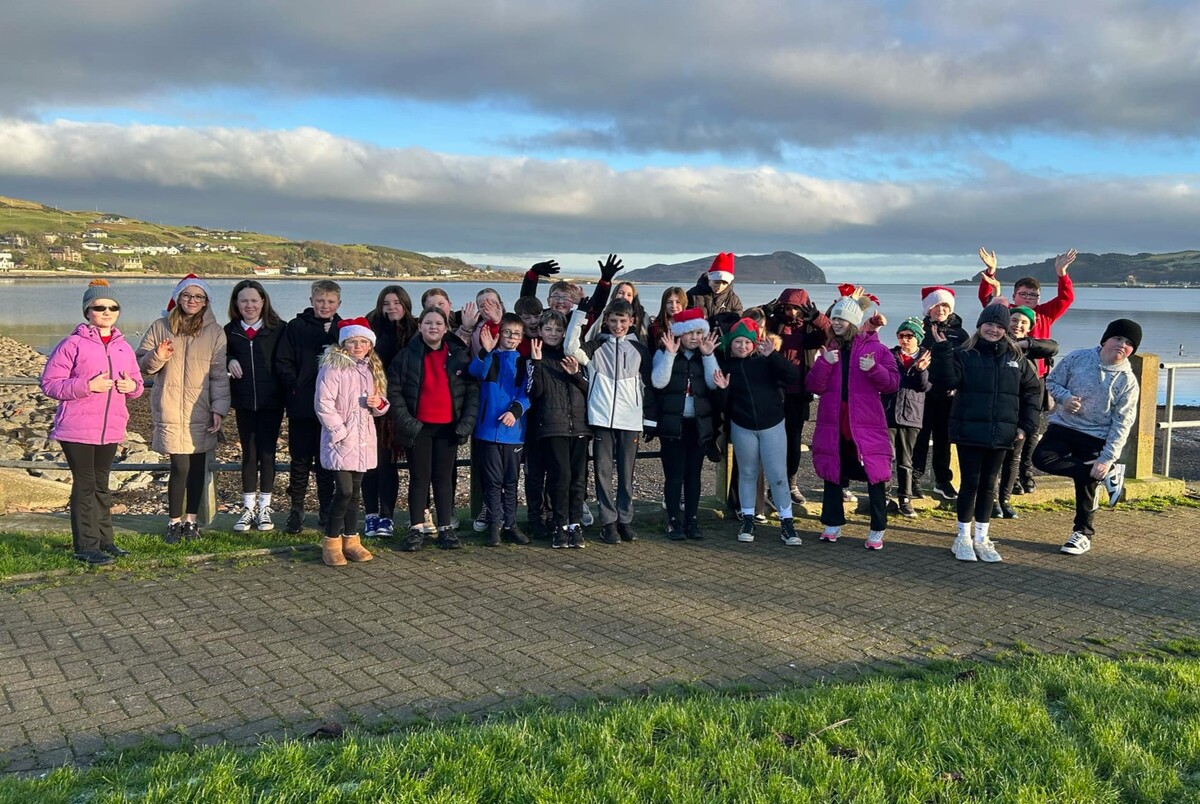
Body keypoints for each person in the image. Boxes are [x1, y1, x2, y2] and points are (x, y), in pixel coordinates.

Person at [40, 279, 145, 565]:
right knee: (85, 485)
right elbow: (50, 384)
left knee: (101, 485)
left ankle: (105, 542)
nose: (107, 311)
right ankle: (85, 546)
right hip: (76, 428)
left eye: (113, 307)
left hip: (110, 428)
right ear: (88, 311)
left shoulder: (124, 347)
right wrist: (88, 385)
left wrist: (130, 388)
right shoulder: (71, 344)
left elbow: (137, 384)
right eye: (99, 307)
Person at [931, 303, 1041, 563]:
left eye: (1000, 326)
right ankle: (963, 537)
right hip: (970, 429)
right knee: (970, 484)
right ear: (980, 326)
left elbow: (1033, 393)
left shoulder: (1016, 359)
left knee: (989, 486)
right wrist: (942, 350)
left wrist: (1026, 426)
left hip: (1003, 433)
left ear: (1005, 330)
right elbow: (946, 382)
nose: (993, 329)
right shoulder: (964, 354)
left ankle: (982, 537)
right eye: (989, 324)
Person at [1033, 319, 1142, 556]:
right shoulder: (1078, 358)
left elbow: (1123, 423)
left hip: (1097, 434)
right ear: (1105, 339)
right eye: (1117, 338)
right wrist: (1065, 398)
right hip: (1064, 425)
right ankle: (1102, 473)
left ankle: (1082, 534)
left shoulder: (1128, 382)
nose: (1122, 345)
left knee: (1087, 486)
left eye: (1129, 343)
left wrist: (1107, 458)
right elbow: (1052, 381)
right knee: (1041, 459)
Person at [136, 274, 231, 542]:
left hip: (200, 408)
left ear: (205, 302)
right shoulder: (160, 326)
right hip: (170, 406)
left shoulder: (215, 332)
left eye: (198, 297)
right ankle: (173, 521)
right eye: (187, 296)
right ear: (178, 298)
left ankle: (191, 522)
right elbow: (142, 365)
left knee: (199, 467)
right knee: (179, 467)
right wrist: (159, 356)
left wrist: (219, 409)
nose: (192, 300)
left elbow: (219, 375)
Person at [977, 247, 1078, 494]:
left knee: (1032, 430)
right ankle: (1006, 479)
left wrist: (1061, 273)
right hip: (1008, 379)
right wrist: (991, 272)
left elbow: (1066, 299)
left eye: (1033, 295)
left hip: (1038, 378)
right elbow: (987, 299)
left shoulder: (1044, 315)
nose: (1029, 299)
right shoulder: (1005, 312)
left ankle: (1026, 474)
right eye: (1024, 294)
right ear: (1015, 295)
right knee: (1009, 428)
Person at [806, 289, 899, 549]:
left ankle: (877, 528)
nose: (836, 323)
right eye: (834, 318)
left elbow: (892, 383)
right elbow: (813, 386)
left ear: (854, 322)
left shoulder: (876, 349)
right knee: (833, 472)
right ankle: (833, 523)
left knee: (875, 474)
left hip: (865, 422)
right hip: (834, 421)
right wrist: (824, 363)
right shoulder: (828, 349)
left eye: (841, 319)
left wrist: (875, 370)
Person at [387, 307, 479, 552]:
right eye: (428, 323)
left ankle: (446, 529)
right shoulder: (407, 356)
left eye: (438, 323)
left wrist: (465, 425)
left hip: (448, 428)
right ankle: (416, 528)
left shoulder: (459, 355)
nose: (433, 327)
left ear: (446, 328)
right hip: (419, 428)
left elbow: (472, 392)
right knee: (419, 479)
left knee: (443, 480)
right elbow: (394, 392)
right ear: (420, 326)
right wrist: (409, 423)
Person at [566, 295, 651, 545]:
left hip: (630, 421)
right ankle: (608, 523)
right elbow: (571, 349)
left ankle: (625, 520)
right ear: (606, 321)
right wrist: (579, 315)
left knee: (626, 475)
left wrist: (650, 419)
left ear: (631, 320)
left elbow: (653, 384)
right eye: (613, 320)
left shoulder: (640, 350)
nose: (618, 325)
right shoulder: (596, 346)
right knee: (603, 473)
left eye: (622, 320)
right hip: (602, 419)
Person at [713, 316, 802, 545]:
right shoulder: (726, 366)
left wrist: (773, 355)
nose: (742, 346)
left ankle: (787, 523)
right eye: (737, 342)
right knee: (748, 474)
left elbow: (793, 377)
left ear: (754, 344)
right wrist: (722, 390)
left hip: (772, 424)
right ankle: (748, 520)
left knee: (778, 476)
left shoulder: (766, 361)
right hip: (743, 427)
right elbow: (721, 405)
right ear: (730, 344)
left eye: (747, 342)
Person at [314, 318, 390, 566]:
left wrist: (378, 404)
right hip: (341, 439)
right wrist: (339, 431)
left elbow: (381, 404)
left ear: (370, 345)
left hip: (363, 440)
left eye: (363, 342)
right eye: (353, 341)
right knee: (344, 491)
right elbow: (323, 403)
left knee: (355, 492)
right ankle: (331, 541)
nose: (358, 346)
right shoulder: (333, 367)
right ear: (344, 343)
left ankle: (352, 540)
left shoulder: (369, 370)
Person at [276, 279, 342, 534]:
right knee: (300, 459)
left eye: (330, 302)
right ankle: (297, 510)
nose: (325, 306)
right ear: (312, 300)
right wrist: (294, 386)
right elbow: (283, 361)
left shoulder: (342, 328)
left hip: (332, 408)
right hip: (302, 404)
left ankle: (326, 510)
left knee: (326, 462)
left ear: (338, 303)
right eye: (320, 301)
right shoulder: (295, 327)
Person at [651, 308, 721, 541]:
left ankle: (691, 520)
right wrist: (670, 355)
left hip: (698, 425)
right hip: (673, 425)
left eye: (699, 332)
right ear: (679, 334)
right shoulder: (664, 353)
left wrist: (710, 356)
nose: (694, 337)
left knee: (694, 475)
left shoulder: (706, 355)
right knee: (674, 476)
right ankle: (673, 521)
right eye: (689, 332)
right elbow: (658, 383)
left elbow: (713, 385)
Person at [224, 280, 285, 533]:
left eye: (253, 300)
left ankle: (265, 508)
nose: (249, 305)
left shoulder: (279, 329)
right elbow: (218, 354)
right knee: (249, 455)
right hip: (245, 402)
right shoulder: (229, 331)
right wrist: (229, 360)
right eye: (244, 300)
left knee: (268, 454)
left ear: (263, 302)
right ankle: (248, 508)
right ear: (236, 304)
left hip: (272, 402)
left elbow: (288, 361)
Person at [762, 288, 832, 505]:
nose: (792, 312)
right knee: (773, 443)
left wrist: (818, 318)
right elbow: (752, 326)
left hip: (800, 393)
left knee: (793, 442)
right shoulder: (775, 324)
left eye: (796, 308)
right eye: (788, 307)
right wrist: (765, 312)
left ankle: (791, 484)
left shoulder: (810, 328)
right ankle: (774, 487)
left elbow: (831, 336)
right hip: (774, 392)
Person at [528, 310, 591, 548]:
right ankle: (560, 525)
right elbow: (536, 393)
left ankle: (575, 525)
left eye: (557, 330)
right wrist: (535, 362)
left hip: (580, 427)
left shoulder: (575, 355)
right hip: (553, 428)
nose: (553, 334)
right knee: (560, 478)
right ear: (540, 332)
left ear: (565, 332)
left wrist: (575, 375)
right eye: (548, 329)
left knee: (578, 479)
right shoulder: (537, 358)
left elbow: (590, 390)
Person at [470, 312, 532, 546]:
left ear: (521, 337)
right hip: (488, 430)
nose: (511, 337)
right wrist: (485, 350)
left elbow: (527, 393)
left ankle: (511, 524)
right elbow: (475, 372)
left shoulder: (523, 362)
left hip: (514, 432)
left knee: (511, 481)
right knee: (493, 481)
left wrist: (515, 411)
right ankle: (494, 525)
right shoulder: (490, 357)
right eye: (507, 332)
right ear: (500, 333)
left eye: (516, 334)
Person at [362, 284, 417, 539]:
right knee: (373, 464)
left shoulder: (415, 331)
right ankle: (371, 515)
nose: (392, 307)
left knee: (390, 465)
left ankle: (388, 516)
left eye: (396, 303)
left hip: (403, 407)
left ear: (405, 304)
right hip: (374, 404)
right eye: (386, 303)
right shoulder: (372, 330)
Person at [994, 306, 1058, 518]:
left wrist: (1027, 343)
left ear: (1030, 327)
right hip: (998, 411)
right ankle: (992, 500)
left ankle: (1005, 500)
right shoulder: (996, 341)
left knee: (1013, 458)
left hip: (1021, 413)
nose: (1017, 325)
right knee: (995, 458)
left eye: (1023, 322)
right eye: (1014, 320)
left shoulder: (1032, 349)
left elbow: (1053, 347)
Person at [913, 285, 969, 500]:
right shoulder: (918, 329)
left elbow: (966, 363)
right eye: (937, 305)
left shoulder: (959, 333)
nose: (941, 309)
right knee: (919, 438)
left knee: (944, 439)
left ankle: (942, 480)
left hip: (948, 395)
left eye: (945, 305)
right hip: (922, 393)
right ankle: (914, 480)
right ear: (928, 308)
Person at [883, 317, 931, 518]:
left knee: (905, 460)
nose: (904, 340)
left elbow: (924, 386)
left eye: (909, 336)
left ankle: (905, 498)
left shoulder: (925, 357)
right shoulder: (889, 355)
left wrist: (920, 371)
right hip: (888, 412)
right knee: (886, 457)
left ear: (917, 338)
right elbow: (887, 381)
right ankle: (883, 495)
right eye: (901, 335)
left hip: (911, 414)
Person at [687, 252, 744, 330]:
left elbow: (737, 325)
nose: (720, 286)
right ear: (709, 279)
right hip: (698, 339)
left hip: (723, 341)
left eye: (724, 283)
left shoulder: (733, 300)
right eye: (716, 282)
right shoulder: (692, 295)